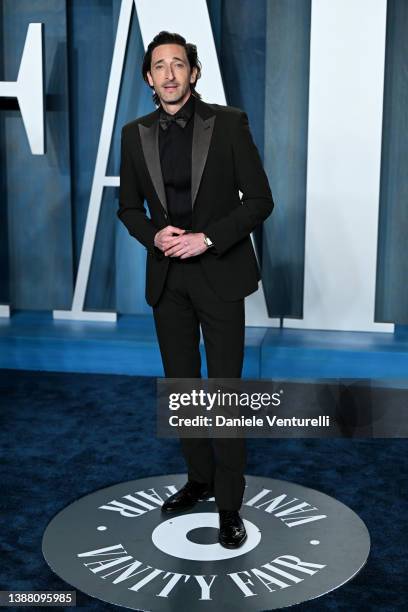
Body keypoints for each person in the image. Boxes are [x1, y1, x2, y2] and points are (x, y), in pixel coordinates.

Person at [117, 31, 274, 548]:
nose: (168, 73)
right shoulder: (133, 133)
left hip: (220, 273)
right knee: (183, 390)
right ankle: (200, 479)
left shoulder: (228, 123)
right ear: (148, 77)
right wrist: (153, 235)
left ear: (194, 72)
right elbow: (128, 208)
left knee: (224, 393)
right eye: (158, 66)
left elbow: (259, 200)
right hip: (168, 278)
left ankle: (230, 506)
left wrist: (208, 238)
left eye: (177, 64)